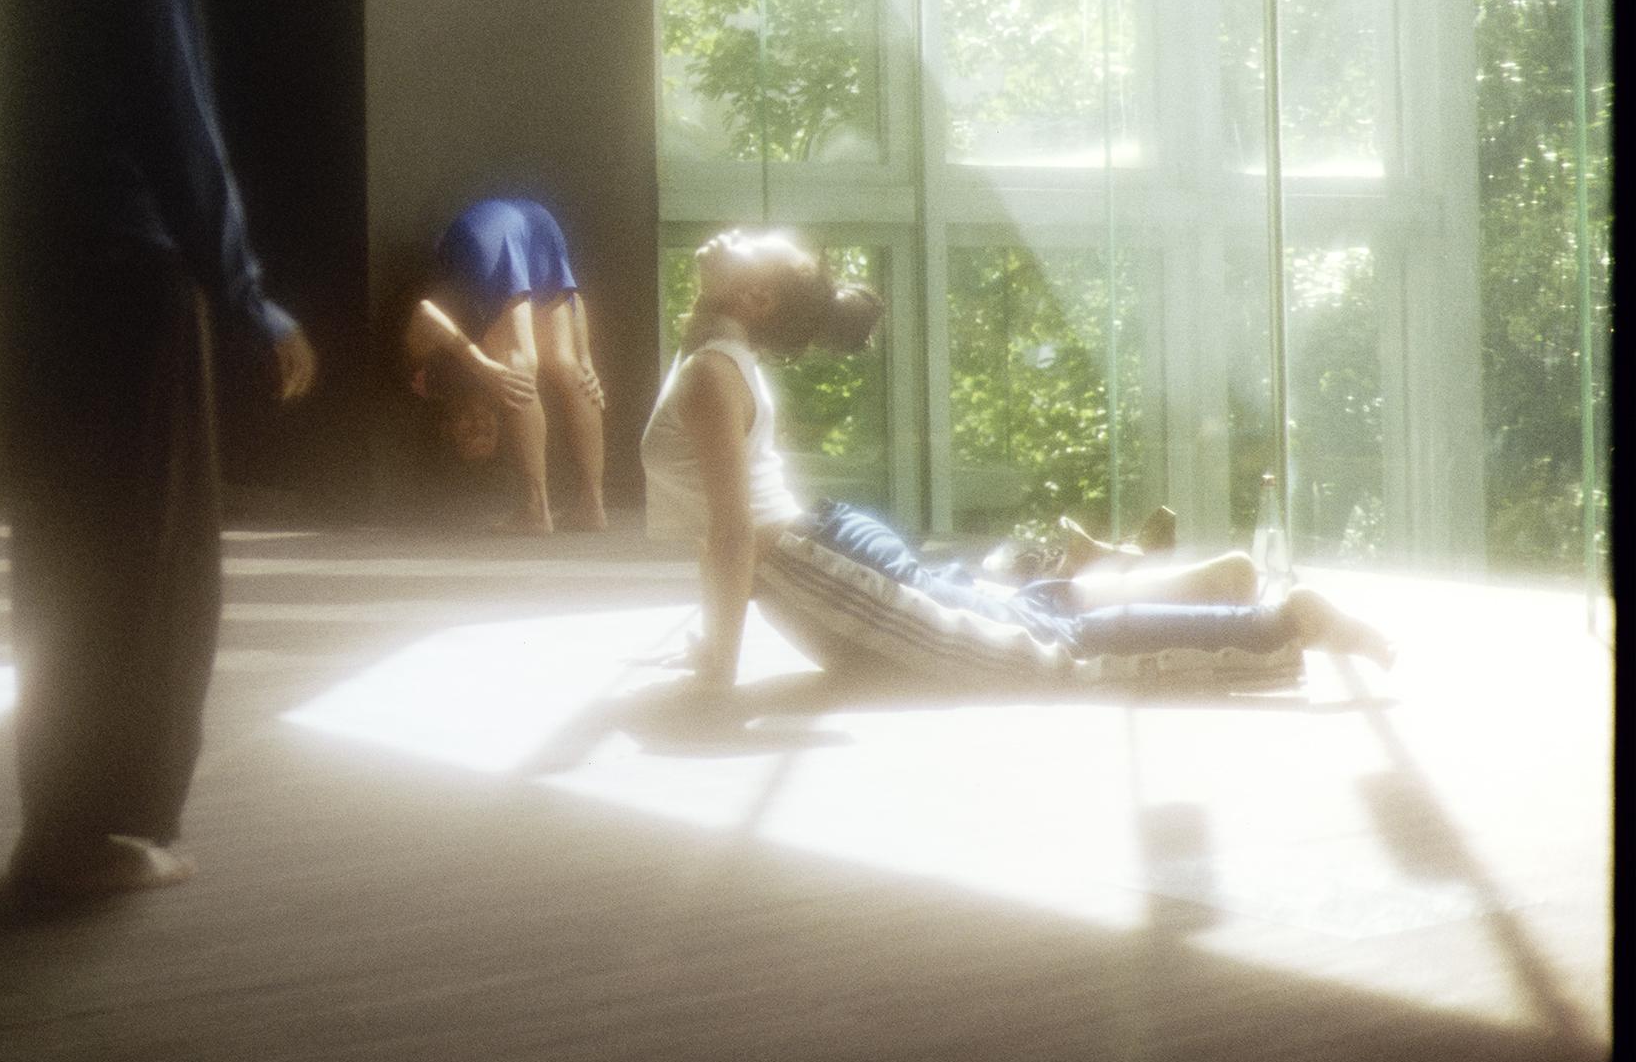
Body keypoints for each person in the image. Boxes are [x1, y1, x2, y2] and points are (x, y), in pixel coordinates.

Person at [0, 0, 317, 899]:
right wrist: (248, 300)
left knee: (61, 557)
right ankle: (121, 823)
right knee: (160, 561)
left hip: (32, 289)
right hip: (130, 288)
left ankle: (52, 822)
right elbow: (179, 122)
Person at [637, 227, 1394, 696]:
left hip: (816, 561)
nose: (723, 236)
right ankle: (1200, 587)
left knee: (1034, 655)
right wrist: (713, 648)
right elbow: (721, 533)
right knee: (1008, 615)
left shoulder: (710, 371)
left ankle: (1283, 624)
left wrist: (719, 674)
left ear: (755, 296)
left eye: (743, 241)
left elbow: (732, 537)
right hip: (821, 552)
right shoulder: (711, 358)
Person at [402, 196, 607, 533]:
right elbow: (572, 297)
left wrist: (481, 364)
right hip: (540, 220)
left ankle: (535, 509)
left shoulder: (427, 380)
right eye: (484, 432)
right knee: (567, 365)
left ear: (445, 427)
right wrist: (585, 359)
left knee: (518, 363)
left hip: (482, 232)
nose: (477, 425)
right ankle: (592, 507)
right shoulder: (483, 373)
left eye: (467, 431)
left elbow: (425, 315)